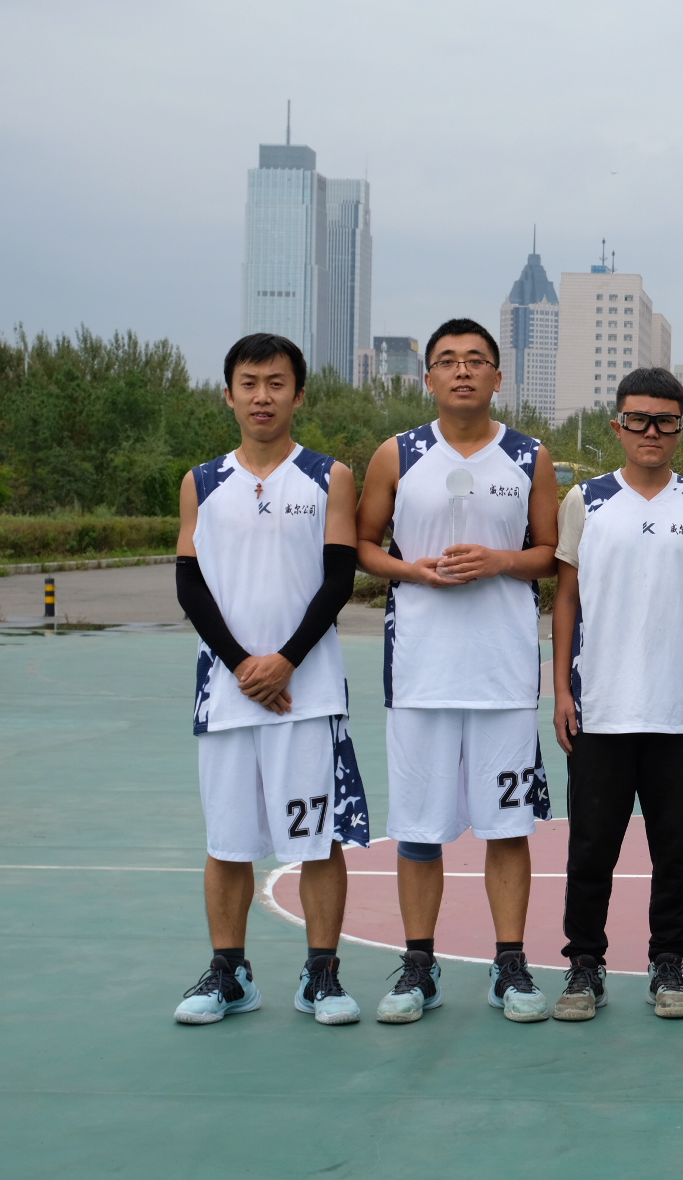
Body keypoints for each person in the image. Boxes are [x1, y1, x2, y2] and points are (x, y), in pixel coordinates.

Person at [356, 318, 561, 1024]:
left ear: (498, 377)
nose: (462, 370)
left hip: (504, 676)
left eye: (476, 360)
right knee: (419, 828)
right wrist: (410, 570)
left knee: (508, 826)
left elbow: (550, 553)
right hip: (420, 674)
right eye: (448, 360)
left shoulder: (529, 455)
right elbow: (362, 543)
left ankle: (510, 964)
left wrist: (500, 561)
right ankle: (419, 965)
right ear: (429, 378)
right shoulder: (397, 453)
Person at [172, 333, 367, 1026]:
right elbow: (190, 584)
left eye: (276, 383)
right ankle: (230, 974)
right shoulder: (202, 481)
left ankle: (322, 976)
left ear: (298, 394)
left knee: (316, 839)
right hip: (226, 697)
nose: (262, 396)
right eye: (249, 383)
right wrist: (241, 665)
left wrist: (284, 660)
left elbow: (338, 580)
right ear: (228, 394)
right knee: (228, 841)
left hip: (307, 696)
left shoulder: (329, 476)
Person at [551, 368, 683, 1021]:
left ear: (682, 427)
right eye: (638, 419)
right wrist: (561, 690)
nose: (651, 431)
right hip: (600, 707)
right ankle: (584, 965)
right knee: (591, 848)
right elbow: (566, 598)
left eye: (665, 420)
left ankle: (668, 964)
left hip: (677, 708)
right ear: (618, 425)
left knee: (675, 850)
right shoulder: (586, 500)